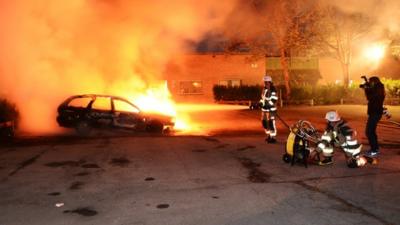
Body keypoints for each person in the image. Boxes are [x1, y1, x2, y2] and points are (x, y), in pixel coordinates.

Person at [363, 76, 385, 158]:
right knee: (371, 131)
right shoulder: (378, 88)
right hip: (375, 113)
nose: (370, 83)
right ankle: (375, 148)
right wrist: (368, 87)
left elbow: (370, 97)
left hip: (375, 113)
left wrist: (367, 89)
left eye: (370, 82)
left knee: (369, 132)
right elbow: (371, 97)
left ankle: (374, 150)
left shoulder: (378, 89)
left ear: (374, 82)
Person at [259, 75, 278, 143]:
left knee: (271, 123)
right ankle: (269, 135)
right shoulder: (264, 89)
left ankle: (273, 137)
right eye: (264, 82)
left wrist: (269, 105)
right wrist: (260, 103)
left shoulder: (273, 89)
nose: (265, 83)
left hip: (271, 109)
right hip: (265, 109)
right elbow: (262, 98)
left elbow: (274, 99)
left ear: (269, 82)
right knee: (264, 122)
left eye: (266, 82)